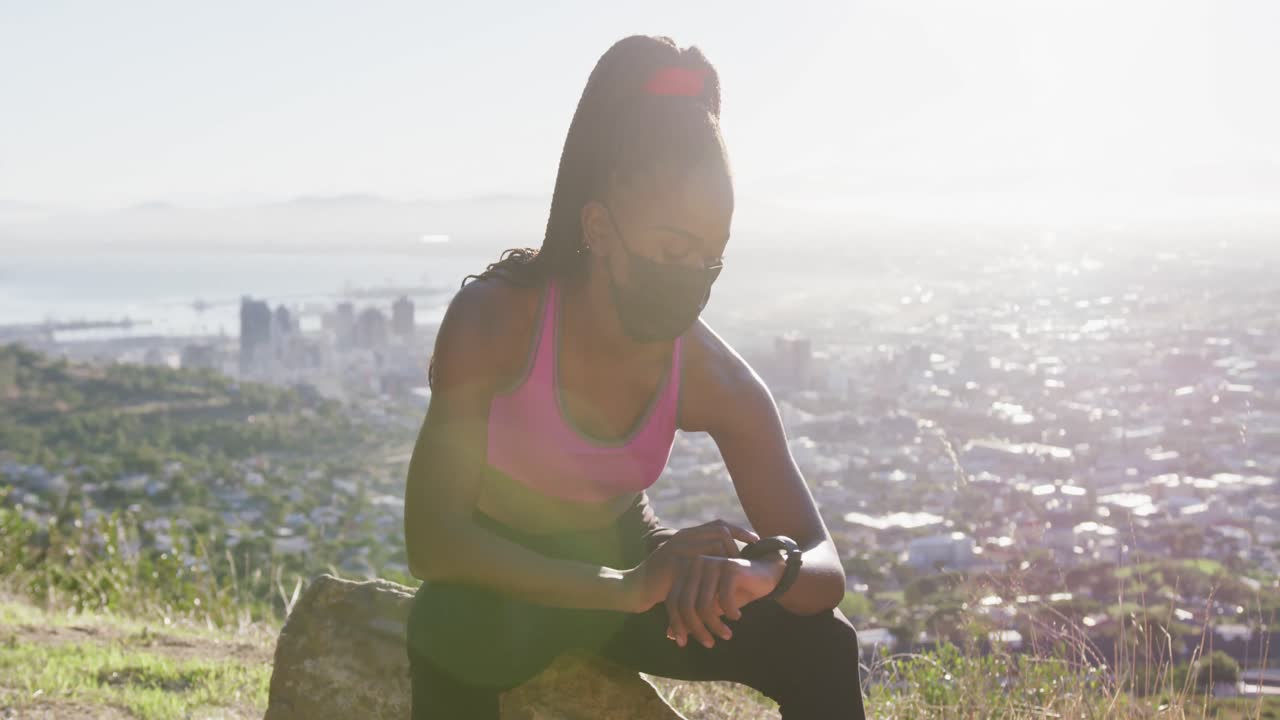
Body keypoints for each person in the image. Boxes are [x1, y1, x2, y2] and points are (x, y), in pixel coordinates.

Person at [403, 34, 867, 719]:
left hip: (630, 565)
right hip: (505, 579)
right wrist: (623, 588)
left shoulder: (711, 375)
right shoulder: (497, 320)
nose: (691, 276)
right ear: (598, 227)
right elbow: (434, 541)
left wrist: (762, 571)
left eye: (710, 257)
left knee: (821, 644)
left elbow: (823, 568)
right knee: (444, 627)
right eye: (672, 250)